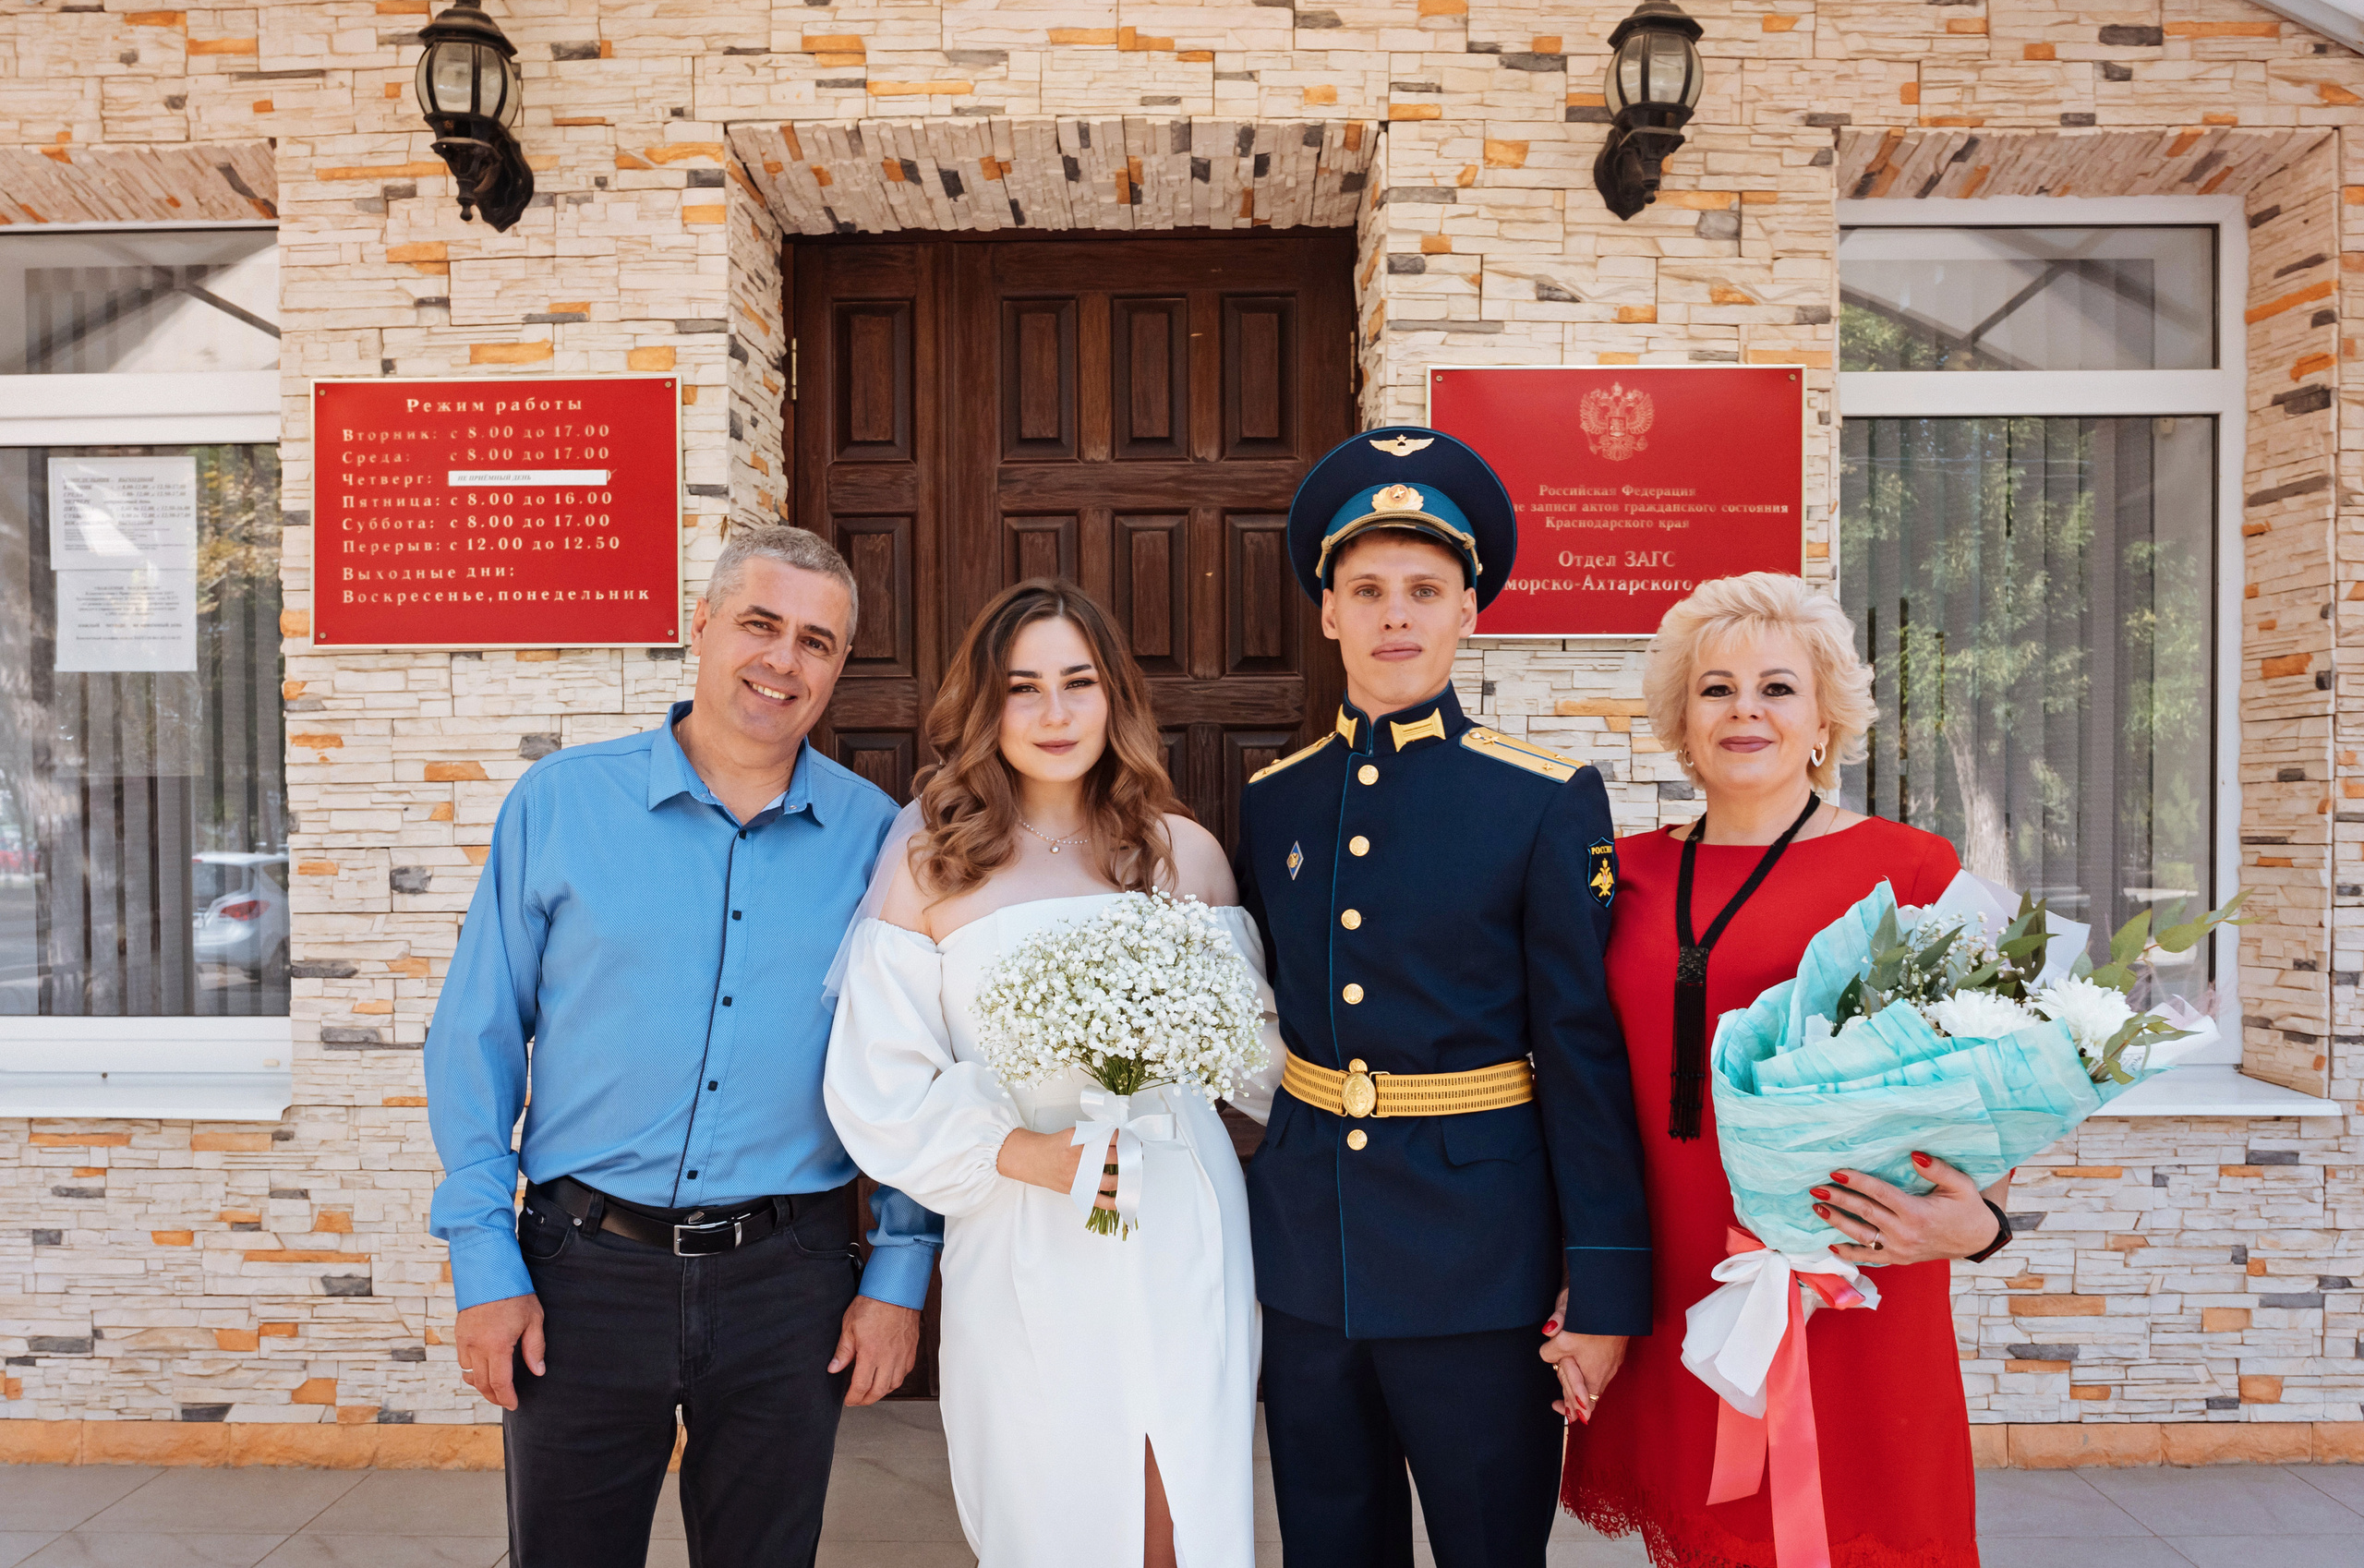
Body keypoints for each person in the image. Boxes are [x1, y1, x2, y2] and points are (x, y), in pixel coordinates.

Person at [425, 524, 940, 1568]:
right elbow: (475, 1034)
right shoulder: (563, 802)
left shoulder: (876, 836)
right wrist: (483, 1254)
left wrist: (899, 1266)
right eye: (759, 624)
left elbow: (914, 1061)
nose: (782, 660)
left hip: (789, 1277)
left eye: (817, 641)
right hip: (581, 1270)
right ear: (700, 626)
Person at [1236, 428, 1653, 1568]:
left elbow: (1579, 1048)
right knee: (1329, 1544)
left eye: (1424, 587)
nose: (1394, 614)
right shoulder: (1273, 799)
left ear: (1471, 608)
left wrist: (1605, 1283)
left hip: (1481, 1261)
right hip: (1313, 1252)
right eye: (1365, 588)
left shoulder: (1539, 798)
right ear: (1326, 610)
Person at [1561, 571, 2013, 1568]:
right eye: (1715, 688)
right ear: (1681, 720)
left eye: (1776, 686)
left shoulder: (1911, 869)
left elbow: (1998, 1077)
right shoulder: (1616, 873)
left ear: (1823, 717)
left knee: (1852, 1531)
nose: (1744, 710)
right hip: (1672, 1271)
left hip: (1843, 1274)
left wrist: (1981, 1219)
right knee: (1704, 1534)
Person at [822, 577, 1267, 1568]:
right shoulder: (934, 861)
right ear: (987, 706)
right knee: (1046, 1502)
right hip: (1022, 1217)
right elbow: (875, 1077)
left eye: (1079, 681)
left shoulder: (1182, 854)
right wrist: (1026, 1150)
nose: (1056, 713)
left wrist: (1165, 1084)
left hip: (1179, 1219)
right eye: (1024, 687)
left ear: (1115, 695)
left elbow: (1250, 1069)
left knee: (1177, 1500)